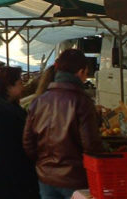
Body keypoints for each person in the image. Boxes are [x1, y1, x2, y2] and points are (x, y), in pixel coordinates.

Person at [23, 49, 102, 199]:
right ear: (81, 72)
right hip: (75, 178)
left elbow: (28, 142)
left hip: (45, 177)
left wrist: (43, 163)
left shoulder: (39, 101)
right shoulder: (82, 102)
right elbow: (91, 145)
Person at [0, 66, 38, 199]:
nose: (23, 88)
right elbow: (10, 156)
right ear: (8, 87)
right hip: (2, 187)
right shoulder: (1, 114)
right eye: (20, 83)